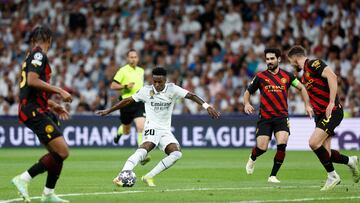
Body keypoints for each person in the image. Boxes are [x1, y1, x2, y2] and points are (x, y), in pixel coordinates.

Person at [96, 67, 220, 186]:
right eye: (154, 81)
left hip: (165, 130)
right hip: (151, 127)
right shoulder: (145, 91)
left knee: (176, 154)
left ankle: (148, 176)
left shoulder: (173, 89)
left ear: (165, 80)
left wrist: (207, 106)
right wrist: (109, 110)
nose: (156, 84)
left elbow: (191, 95)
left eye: (159, 82)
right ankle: (122, 174)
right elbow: (128, 100)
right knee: (145, 149)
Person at [11, 25, 72, 202]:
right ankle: (23, 178)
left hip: (37, 108)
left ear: (32, 40)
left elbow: (27, 90)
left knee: (56, 155)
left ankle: (48, 194)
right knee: (63, 152)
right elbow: (31, 81)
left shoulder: (29, 57)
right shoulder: (39, 55)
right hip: (33, 111)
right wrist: (59, 91)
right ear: (49, 40)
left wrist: (52, 105)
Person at [287, 45, 360, 191]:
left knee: (313, 143)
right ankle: (350, 161)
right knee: (326, 155)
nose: (290, 64)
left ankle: (332, 176)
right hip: (320, 115)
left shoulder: (314, 63)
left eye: (290, 60)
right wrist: (307, 105)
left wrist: (332, 102)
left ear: (295, 58)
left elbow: (332, 76)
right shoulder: (304, 75)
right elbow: (306, 92)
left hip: (331, 111)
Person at [244, 48, 313, 183]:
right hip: (265, 117)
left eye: (272, 59)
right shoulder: (260, 76)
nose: (269, 61)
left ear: (279, 59)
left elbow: (302, 88)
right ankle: (252, 158)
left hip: (281, 117)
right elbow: (248, 92)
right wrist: (246, 103)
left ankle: (273, 176)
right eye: (267, 59)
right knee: (262, 148)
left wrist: (307, 105)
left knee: (282, 144)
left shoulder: (288, 76)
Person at [110, 49, 150, 165]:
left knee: (141, 127)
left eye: (135, 57)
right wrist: (125, 86)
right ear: (127, 59)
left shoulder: (141, 71)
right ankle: (119, 134)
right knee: (126, 130)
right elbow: (113, 85)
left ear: (138, 58)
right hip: (126, 102)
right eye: (131, 57)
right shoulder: (122, 71)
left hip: (139, 102)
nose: (133, 59)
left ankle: (141, 154)